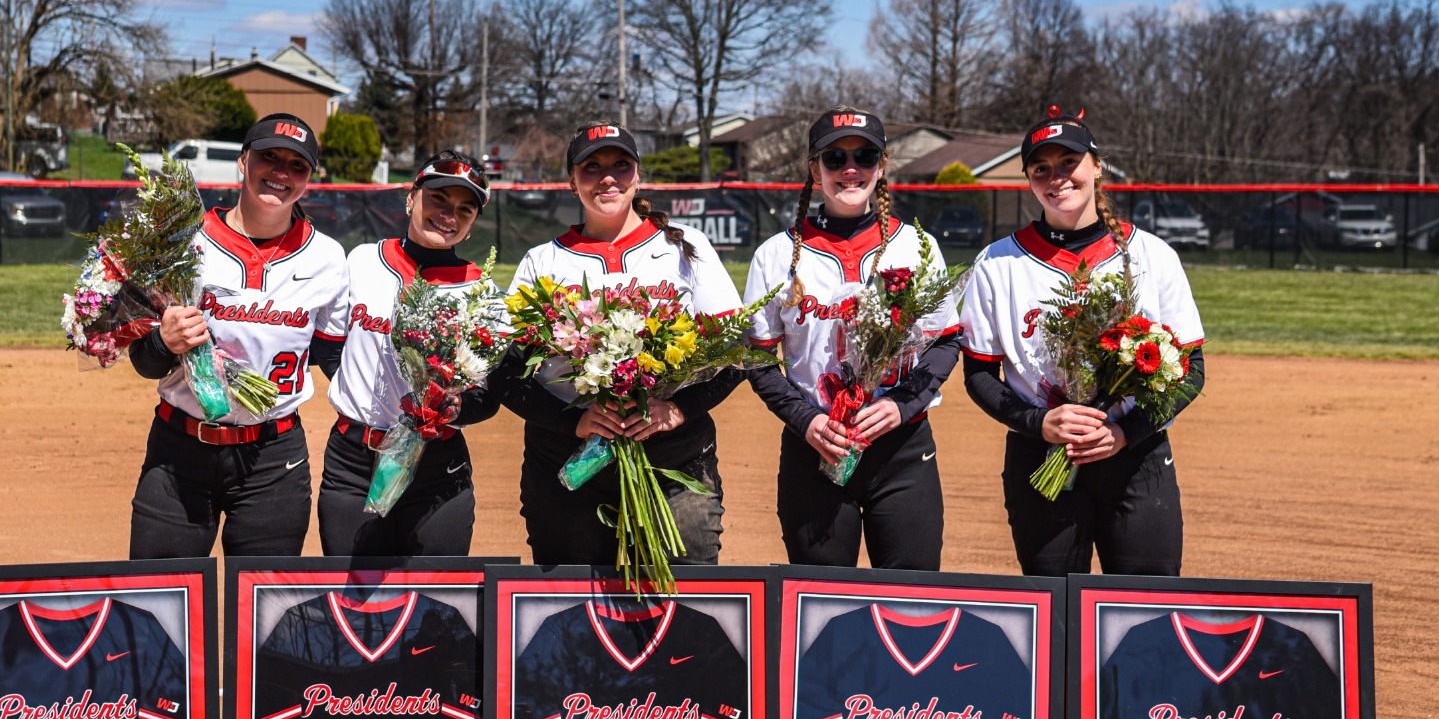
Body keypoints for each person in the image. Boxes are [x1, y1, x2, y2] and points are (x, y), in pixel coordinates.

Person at [958, 107, 1207, 575]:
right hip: (1042, 455)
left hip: (1136, 456)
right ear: (1029, 179)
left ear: (1096, 165)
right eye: (1041, 168)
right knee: (1055, 619)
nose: (1057, 178)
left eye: (1068, 162)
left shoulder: (1153, 256)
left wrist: (1123, 434)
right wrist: (1039, 421)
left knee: (1144, 612)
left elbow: (1190, 370)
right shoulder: (997, 263)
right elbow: (978, 374)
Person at [502, 121, 746, 566]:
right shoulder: (543, 261)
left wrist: (678, 409)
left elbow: (733, 352)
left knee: (683, 605)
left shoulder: (687, 248)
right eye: (591, 167)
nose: (608, 176)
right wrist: (569, 421)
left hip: (674, 461)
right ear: (572, 181)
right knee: (572, 610)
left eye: (621, 164)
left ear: (639, 175)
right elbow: (505, 371)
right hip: (570, 466)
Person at [742, 107, 962, 570]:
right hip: (815, 447)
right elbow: (757, 358)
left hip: (901, 450)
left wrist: (901, 404)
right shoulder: (777, 254)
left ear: (881, 166)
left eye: (864, 155)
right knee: (818, 609)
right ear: (813, 168)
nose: (849, 168)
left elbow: (944, 342)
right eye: (834, 157)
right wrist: (805, 420)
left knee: (910, 603)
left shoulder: (914, 247)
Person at [127, 113, 349, 558]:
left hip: (273, 460)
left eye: (297, 165)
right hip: (179, 453)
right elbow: (144, 361)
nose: (281, 173)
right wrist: (161, 342)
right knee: (163, 603)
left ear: (309, 178)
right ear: (243, 161)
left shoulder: (327, 258)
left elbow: (336, 357)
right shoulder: (183, 242)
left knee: (263, 610)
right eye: (269, 157)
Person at [318, 151, 508, 556]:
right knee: (353, 604)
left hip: (438, 468)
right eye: (438, 198)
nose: (448, 214)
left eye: (465, 208)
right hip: (353, 462)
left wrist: (453, 407)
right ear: (412, 198)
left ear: (473, 224)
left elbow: (489, 396)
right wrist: (359, 394)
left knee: (436, 606)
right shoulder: (363, 261)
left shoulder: (484, 295)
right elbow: (330, 349)